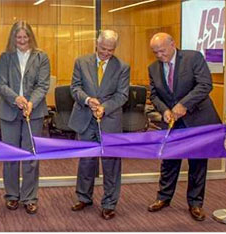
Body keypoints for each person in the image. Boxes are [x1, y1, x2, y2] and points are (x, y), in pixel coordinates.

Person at [146, 32, 220, 221]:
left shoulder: (193, 57)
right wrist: (164, 110)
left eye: (162, 51)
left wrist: (184, 104)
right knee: (169, 160)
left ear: (173, 44)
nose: (159, 56)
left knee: (197, 162)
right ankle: (163, 198)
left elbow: (205, 85)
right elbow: (154, 95)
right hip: (172, 121)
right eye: (155, 53)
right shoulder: (153, 68)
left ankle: (195, 203)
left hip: (197, 118)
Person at [68, 30, 130, 220]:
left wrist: (104, 107)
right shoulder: (81, 62)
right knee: (86, 161)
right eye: (103, 49)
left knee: (111, 164)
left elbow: (122, 95)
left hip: (109, 120)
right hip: (85, 119)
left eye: (110, 50)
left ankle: (109, 203)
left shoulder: (122, 67)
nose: (106, 53)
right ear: (97, 44)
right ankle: (84, 197)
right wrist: (87, 100)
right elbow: (75, 87)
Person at [0, 20, 50, 215]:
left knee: (31, 157)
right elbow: (0, 84)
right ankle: (11, 196)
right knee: (10, 156)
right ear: (13, 38)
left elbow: (43, 85)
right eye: (18, 37)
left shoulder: (41, 57)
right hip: (9, 111)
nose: (22, 40)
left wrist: (30, 103)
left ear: (31, 37)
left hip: (33, 113)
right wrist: (16, 98)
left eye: (25, 37)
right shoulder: (5, 57)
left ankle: (29, 197)